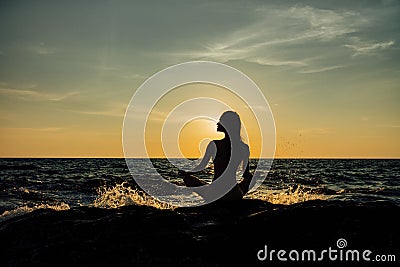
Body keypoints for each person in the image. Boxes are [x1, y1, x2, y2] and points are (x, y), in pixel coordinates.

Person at [180, 111, 253, 202]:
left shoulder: (214, 144)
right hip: (234, 194)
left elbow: (201, 167)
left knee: (187, 179)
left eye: (220, 121)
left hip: (215, 193)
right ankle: (237, 195)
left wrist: (186, 173)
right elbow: (246, 175)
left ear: (227, 125)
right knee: (250, 179)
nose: (217, 123)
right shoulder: (243, 147)